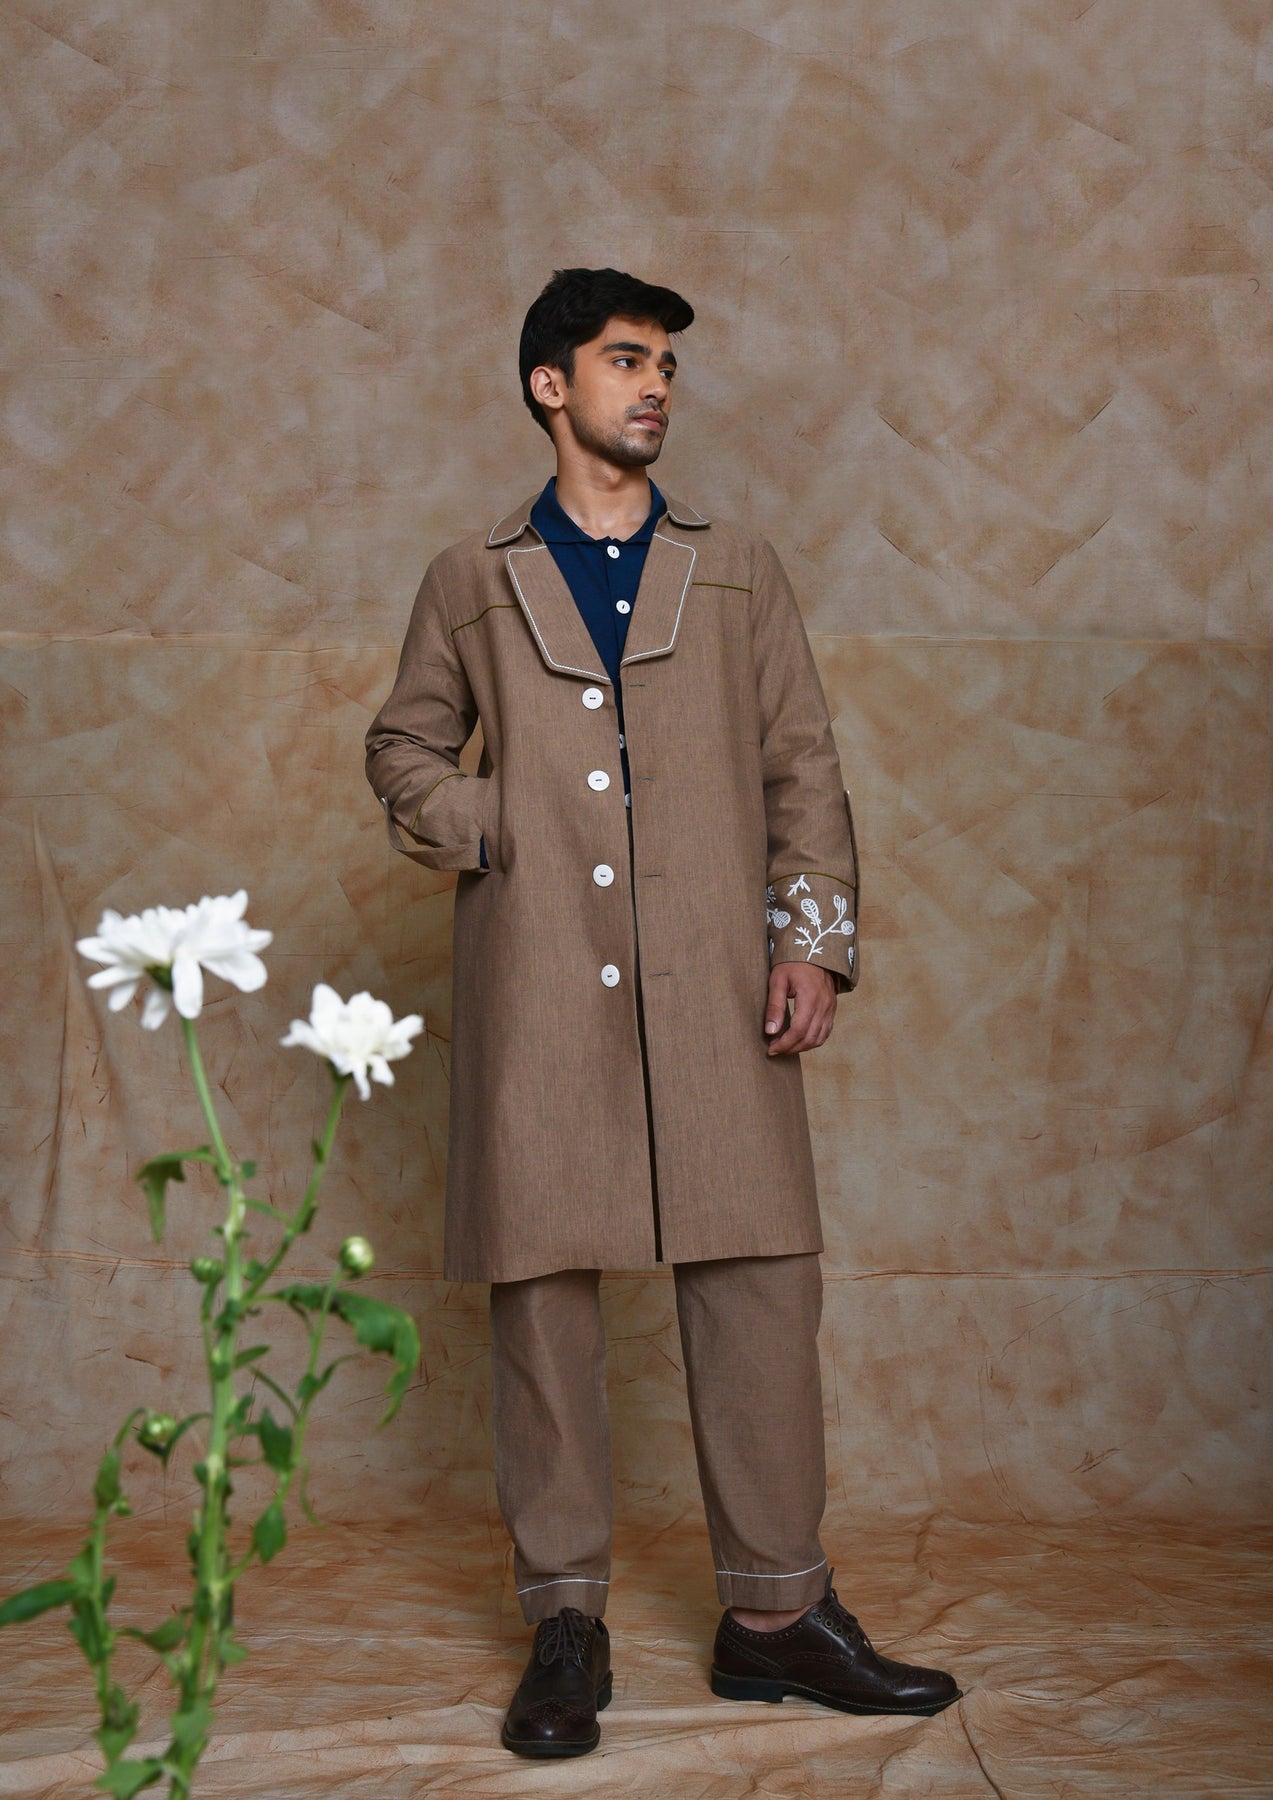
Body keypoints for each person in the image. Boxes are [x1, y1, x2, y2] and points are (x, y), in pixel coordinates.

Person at [365, 267, 959, 1757]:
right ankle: (565, 1621)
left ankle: (776, 1617)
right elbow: (403, 748)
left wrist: (810, 944)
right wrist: (493, 822)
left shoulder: (739, 568)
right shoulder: (469, 577)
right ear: (548, 385)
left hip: (716, 977)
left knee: (759, 1281)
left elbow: (802, 766)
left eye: (668, 367)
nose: (656, 388)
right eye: (626, 361)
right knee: (542, 1295)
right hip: (540, 979)